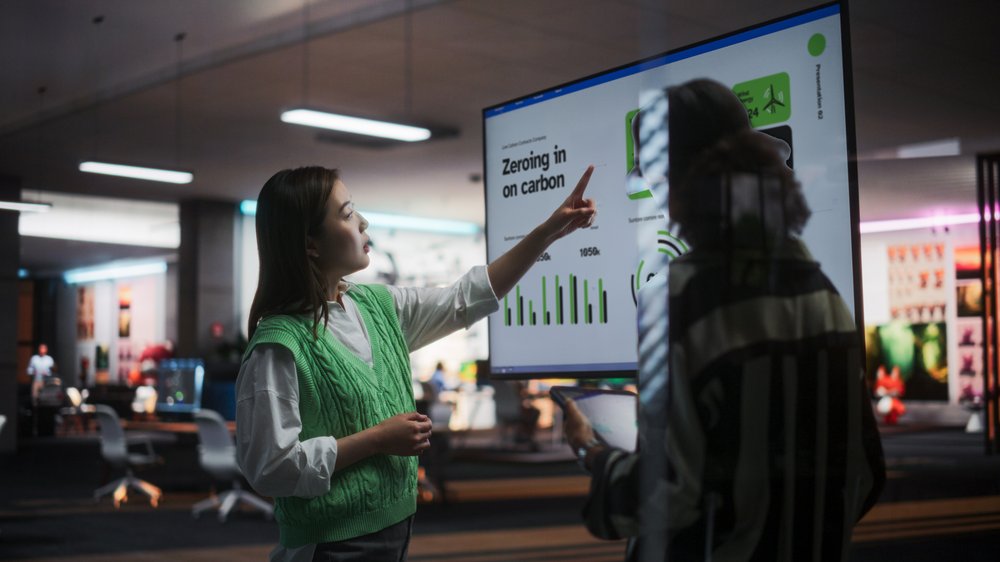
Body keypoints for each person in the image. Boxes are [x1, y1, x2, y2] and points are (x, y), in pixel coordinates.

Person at [563, 79, 885, 561]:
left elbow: (668, 492)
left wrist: (594, 452)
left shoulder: (679, 297)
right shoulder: (823, 291)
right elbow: (866, 473)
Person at [236, 164, 596, 561]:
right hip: (328, 544)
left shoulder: (376, 306)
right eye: (347, 213)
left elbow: (467, 298)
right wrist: (375, 440)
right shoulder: (279, 347)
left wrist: (547, 233)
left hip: (395, 529)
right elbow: (270, 468)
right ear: (311, 245)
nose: (363, 222)